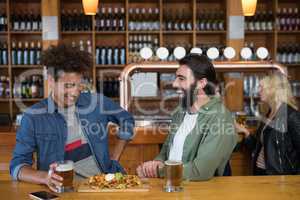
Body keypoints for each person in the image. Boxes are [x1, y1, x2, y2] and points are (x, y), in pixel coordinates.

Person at [10, 44, 135, 192]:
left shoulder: (97, 102)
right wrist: (44, 177)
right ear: (50, 80)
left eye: (78, 85)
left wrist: (114, 158)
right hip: (63, 191)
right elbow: (18, 166)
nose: (75, 92)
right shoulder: (33, 117)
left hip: (105, 186)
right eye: (68, 85)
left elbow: (127, 120)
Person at [136, 54, 238, 181]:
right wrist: (155, 163)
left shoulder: (220, 117)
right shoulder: (181, 112)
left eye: (181, 79)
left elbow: (201, 171)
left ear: (201, 83)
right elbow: (167, 150)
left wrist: (159, 171)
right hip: (174, 187)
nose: (174, 84)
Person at [237, 73, 300, 175]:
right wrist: (245, 132)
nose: (259, 91)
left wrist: (293, 181)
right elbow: (260, 146)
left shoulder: (291, 115)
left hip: (278, 177)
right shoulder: (269, 113)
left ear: (273, 90)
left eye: (262, 88)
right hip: (261, 172)